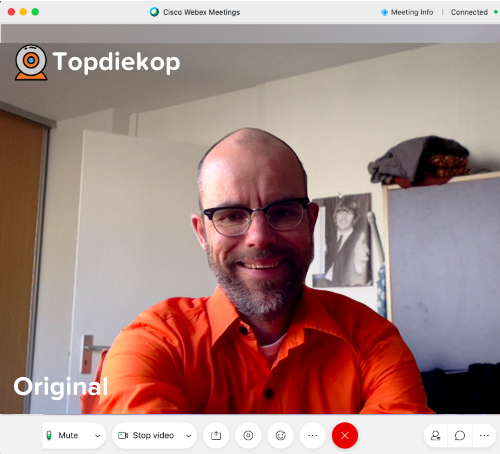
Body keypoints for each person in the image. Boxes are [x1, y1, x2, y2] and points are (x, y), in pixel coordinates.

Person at [98, 128, 432, 414]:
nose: (259, 237)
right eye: (231, 216)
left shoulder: (373, 339)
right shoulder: (153, 343)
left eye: (283, 212)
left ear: (311, 222)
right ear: (202, 233)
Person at [316, 198, 371, 287]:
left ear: (355, 218)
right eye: (340, 213)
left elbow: (365, 276)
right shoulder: (326, 240)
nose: (343, 217)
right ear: (335, 216)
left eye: (348, 213)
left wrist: (360, 263)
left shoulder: (360, 240)